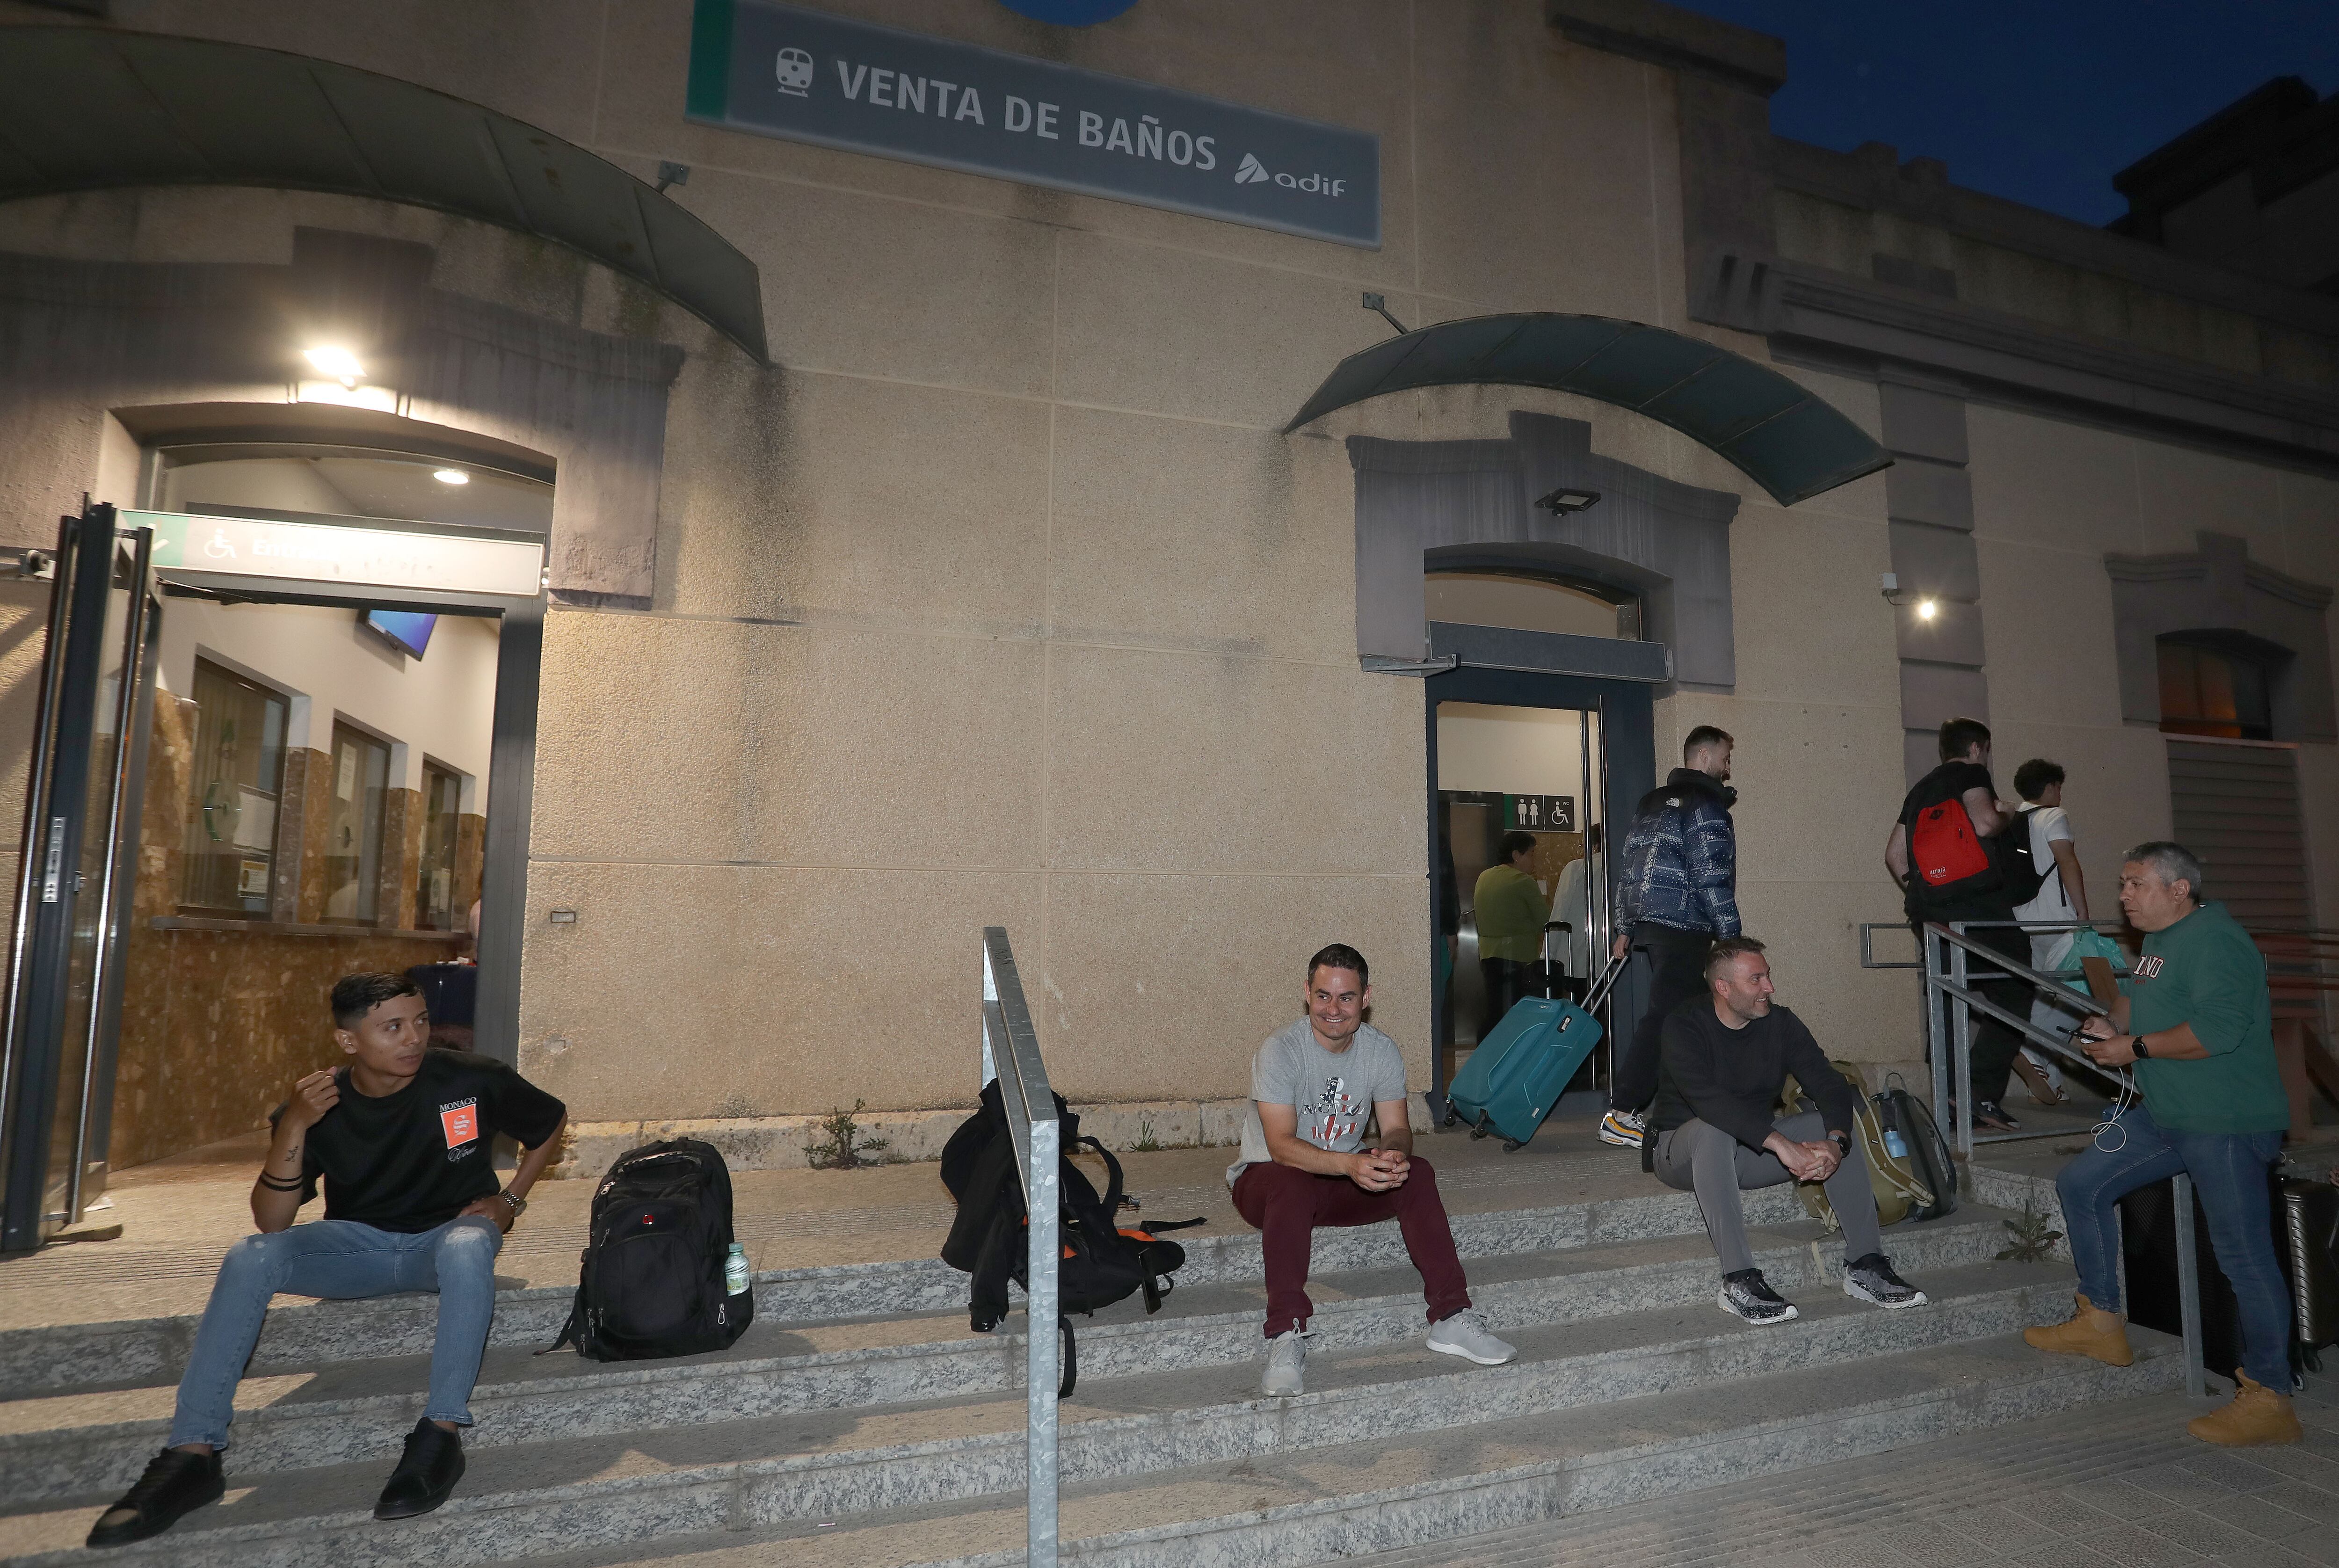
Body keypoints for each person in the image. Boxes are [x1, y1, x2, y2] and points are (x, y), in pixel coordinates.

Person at [87, 973, 569, 1547]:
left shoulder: (468, 1076)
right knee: (251, 1255)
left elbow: (551, 1119)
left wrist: (509, 1198)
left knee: (468, 1243)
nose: (413, 1037)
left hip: (444, 1242)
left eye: (419, 1021)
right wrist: (293, 1123)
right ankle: (193, 1454)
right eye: (392, 1027)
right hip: (356, 1248)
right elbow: (272, 1220)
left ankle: (439, 1435)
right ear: (348, 1041)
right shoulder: (318, 1105)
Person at [2023, 842, 2300, 1447]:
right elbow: (2138, 999)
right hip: (2169, 1114)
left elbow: (2220, 1031)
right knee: (2081, 1183)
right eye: (2122, 883)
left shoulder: (2218, 943)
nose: (2124, 895)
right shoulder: (2157, 944)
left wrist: (2135, 1050)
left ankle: (2271, 1395)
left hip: (2224, 1121)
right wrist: (2115, 1023)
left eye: (2136, 884)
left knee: (2244, 1258)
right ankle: (2101, 1319)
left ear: (2180, 890)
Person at [1228, 944, 1517, 1396]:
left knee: (1417, 1172)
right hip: (1267, 1181)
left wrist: (1393, 1154)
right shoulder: (1280, 1050)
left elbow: (1398, 1128)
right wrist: (1349, 1162)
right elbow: (1281, 1146)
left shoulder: (1380, 1050)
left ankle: (1450, 1318)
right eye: (1323, 996)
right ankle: (1287, 1333)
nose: (1334, 1009)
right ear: (1307, 994)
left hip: (1343, 1180)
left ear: (1366, 998)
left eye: (1346, 997)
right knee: (1291, 1182)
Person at [1647, 936, 1929, 1322]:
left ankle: (1865, 1264)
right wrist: (1781, 1144)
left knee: (1820, 1123)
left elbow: (1828, 1083)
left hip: (1748, 1151)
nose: (1770, 988)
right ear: (1723, 987)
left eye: (1768, 977)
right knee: (1713, 1129)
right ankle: (1738, 1279)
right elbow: (1711, 1103)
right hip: (1682, 1151)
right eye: (1757, 979)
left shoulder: (1780, 1023)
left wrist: (1836, 1141)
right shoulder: (1684, 1025)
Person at [1598, 726, 1740, 1148]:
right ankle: (1621, 1113)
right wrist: (1731, 936)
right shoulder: (1706, 805)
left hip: (1655, 926)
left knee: (1692, 1019)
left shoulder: (1652, 802)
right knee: (1666, 1019)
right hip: (1686, 925)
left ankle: (1687, 1110)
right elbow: (1711, 873)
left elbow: (1629, 867)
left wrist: (1626, 925)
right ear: (1703, 757)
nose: (1728, 768)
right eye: (1725, 758)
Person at [1885, 716, 2028, 1132]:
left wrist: (1929, 888)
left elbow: (1895, 856)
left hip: (1930, 911)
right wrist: (2008, 815)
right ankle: (1979, 1091)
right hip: (1979, 906)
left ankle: (1949, 1096)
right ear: (1977, 748)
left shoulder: (1920, 789)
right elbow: (1984, 823)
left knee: (1945, 997)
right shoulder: (1971, 773)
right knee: (2016, 987)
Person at [2009, 758, 2091, 1105]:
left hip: (2023, 922)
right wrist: (2083, 913)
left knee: (2045, 994)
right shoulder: (2052, 816)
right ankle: (2030, 1049)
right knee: (2083, 996)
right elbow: (2067, 860)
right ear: (2049, 788)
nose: (2060, 793)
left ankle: (2048, 1079)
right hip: (2058, 921)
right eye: (2058, 786)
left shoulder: (2011, 823)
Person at [1473, 830, 1551, 1038]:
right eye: (1532, 854)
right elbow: (1545, 920)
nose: (1534, 860)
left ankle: (1485, 1055)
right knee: (1517, 1015)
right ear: (1517, 855)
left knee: (1494, 1011)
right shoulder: (1524, 882)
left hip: (1488, 956)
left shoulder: (1484, 877)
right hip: (1518, 958)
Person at [1551, 822, 1604, 987]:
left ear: (1593, 846)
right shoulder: (1621, 868)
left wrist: (1548, 954)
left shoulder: (1576, 868)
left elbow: (1560, 912)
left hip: (1576, 960)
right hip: (1608, 962)